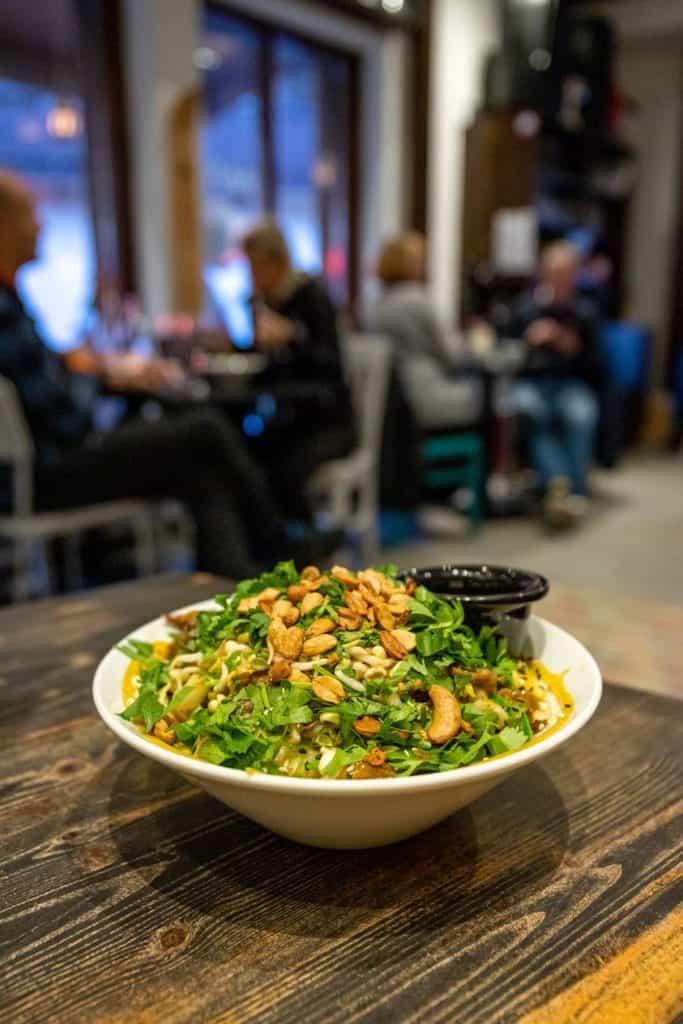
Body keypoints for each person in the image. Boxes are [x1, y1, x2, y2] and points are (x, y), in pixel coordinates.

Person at [0, 172, 338, 580]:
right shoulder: (4, 308)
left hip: (49, 460)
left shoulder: (12, 302)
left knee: (201, 467)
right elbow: (67, 416)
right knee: (206, 430)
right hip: (43, 473)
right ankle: (278, 545)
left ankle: (232, 585)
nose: (42, 226)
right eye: (30, 216)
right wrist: (106, 380)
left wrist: (100, 374)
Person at [242, 220, 355, 518]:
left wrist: (292, 336)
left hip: (328, 421)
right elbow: (263, 364)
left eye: (255, 266)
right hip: (289, 417)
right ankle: (269, 541)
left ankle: (304, 544)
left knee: (283, 465)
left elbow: (330, 362)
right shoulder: (262, 303)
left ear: (276, 261)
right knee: (248, 453)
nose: (251, 275)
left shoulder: (311, 295)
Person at [512, 241, 600, 527]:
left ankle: (571, 493)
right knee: (529, 411)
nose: (560, 279)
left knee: (580, 415)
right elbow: (507, 350)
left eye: (566, 273)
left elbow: (597, 363)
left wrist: (566, 343)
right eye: (554, 273)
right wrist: (528, 340)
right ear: (544, 273)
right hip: (533, 381)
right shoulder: (526, 307)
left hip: (570, 382)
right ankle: (560, 487)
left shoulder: (585, 310)